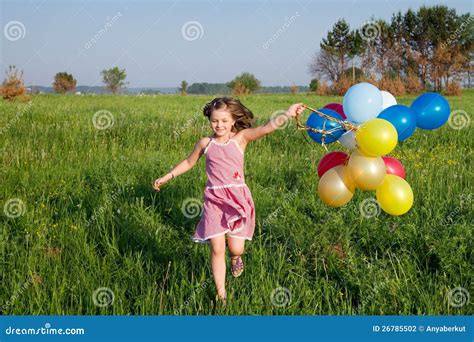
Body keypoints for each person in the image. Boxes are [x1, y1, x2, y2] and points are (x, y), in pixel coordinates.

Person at [153, 97, 304, 304]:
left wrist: (287, 113)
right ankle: (221, 294)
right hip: (214, 200)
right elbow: (189, 162)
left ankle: (236, 258)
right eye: (215, 121)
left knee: (236, 248)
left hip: (237, 199)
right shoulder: (206, 143)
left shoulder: (240, 138)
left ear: (233, 120)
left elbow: (266, 128)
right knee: (216, 248)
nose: (219, 125)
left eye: (224, 121)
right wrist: (168, 176)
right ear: (209, 120)